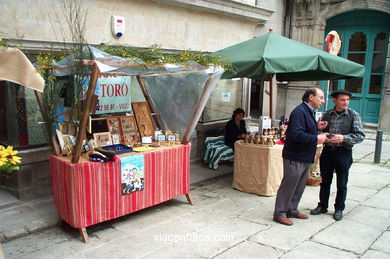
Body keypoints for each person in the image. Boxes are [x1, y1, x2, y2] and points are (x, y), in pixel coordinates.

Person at [273, 88, 329, 226]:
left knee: (299, 185)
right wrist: (317, 137)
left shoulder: (308, 111)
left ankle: (292, 209)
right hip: (295, 155)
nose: (323, 101)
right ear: (311, 97)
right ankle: (280, 213)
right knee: (289, 185)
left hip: (304, 155)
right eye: (320, 97)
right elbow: (296, 134)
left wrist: (317, 127)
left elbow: (304, 129)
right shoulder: (300, 111)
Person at [310, 90, 365, 221]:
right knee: (325, 182)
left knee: (342, 183)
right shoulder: (327, 114)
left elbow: (360, 136)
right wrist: (319, 128)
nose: (345, 102)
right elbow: (319, 132)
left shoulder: (353, 115)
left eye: (347, 100)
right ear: (335, 100)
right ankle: (322, 205)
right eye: (342, 100)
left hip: (343, 152)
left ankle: (339, 208)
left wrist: (343, 138)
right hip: (328, 152)